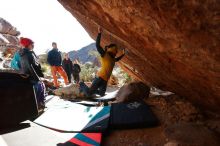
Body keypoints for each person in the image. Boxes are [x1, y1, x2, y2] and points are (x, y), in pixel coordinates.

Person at [80, 27, 125, 97]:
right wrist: (99, 33)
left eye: (116, 50)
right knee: (89, 94)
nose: (115, 51)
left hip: (105, 80)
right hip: (99, 77)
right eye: (115, 49)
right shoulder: (105, 55)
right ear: (111, 50)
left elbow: (117, 59)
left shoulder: (113, 59)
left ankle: (92, 90)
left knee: (102, 94)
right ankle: (81, 84)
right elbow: (97, 46)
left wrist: (123, 54)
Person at [19, 38, 45, 107]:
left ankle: (40, 103)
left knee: (42, 86)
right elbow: (31, 68)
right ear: (28, 45)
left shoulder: (28, 53)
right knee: (39, 87)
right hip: (31, 76)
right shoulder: (27, 54)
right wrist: (38, 79)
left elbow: (35, 65)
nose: (33, 45)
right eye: (31, 44)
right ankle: (36, 105)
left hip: (31, 76)